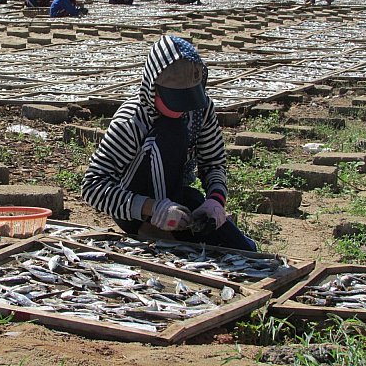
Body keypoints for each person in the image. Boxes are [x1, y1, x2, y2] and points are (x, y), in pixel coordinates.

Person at [82, 35, 256, 251]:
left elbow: (213, 163)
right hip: (133, 207)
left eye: (188, 100)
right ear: (153, 88)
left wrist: (215, 200)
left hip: (177, 195)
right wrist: (152, 208)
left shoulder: (201, 109)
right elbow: (93, 187)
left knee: (240, 248)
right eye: (174, 100)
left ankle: (177, 227)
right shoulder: (132, 120)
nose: (182, 109)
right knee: (169, 131)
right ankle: (149, 228)